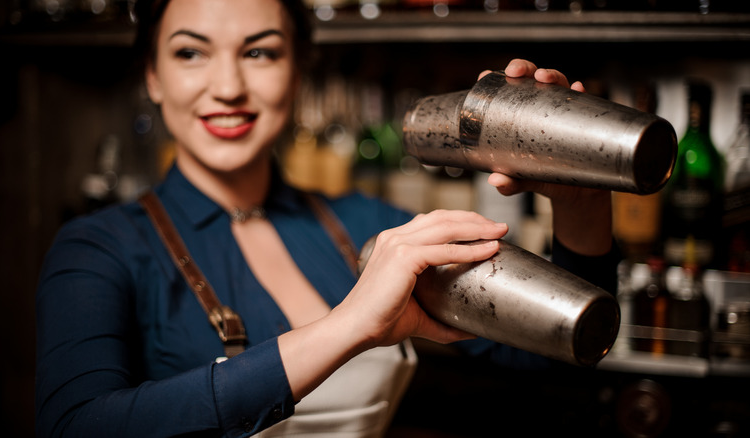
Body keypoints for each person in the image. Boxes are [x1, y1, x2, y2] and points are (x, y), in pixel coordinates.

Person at [35, 0, 620, 436]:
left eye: (259, 52)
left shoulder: (371, 226)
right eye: (191, 53)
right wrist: (349, 327)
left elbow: (560, 355)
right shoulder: (99, 247)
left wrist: (581, 200)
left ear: (297, 71)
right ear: (153, 78)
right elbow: (76, 427)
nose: (229, 86)